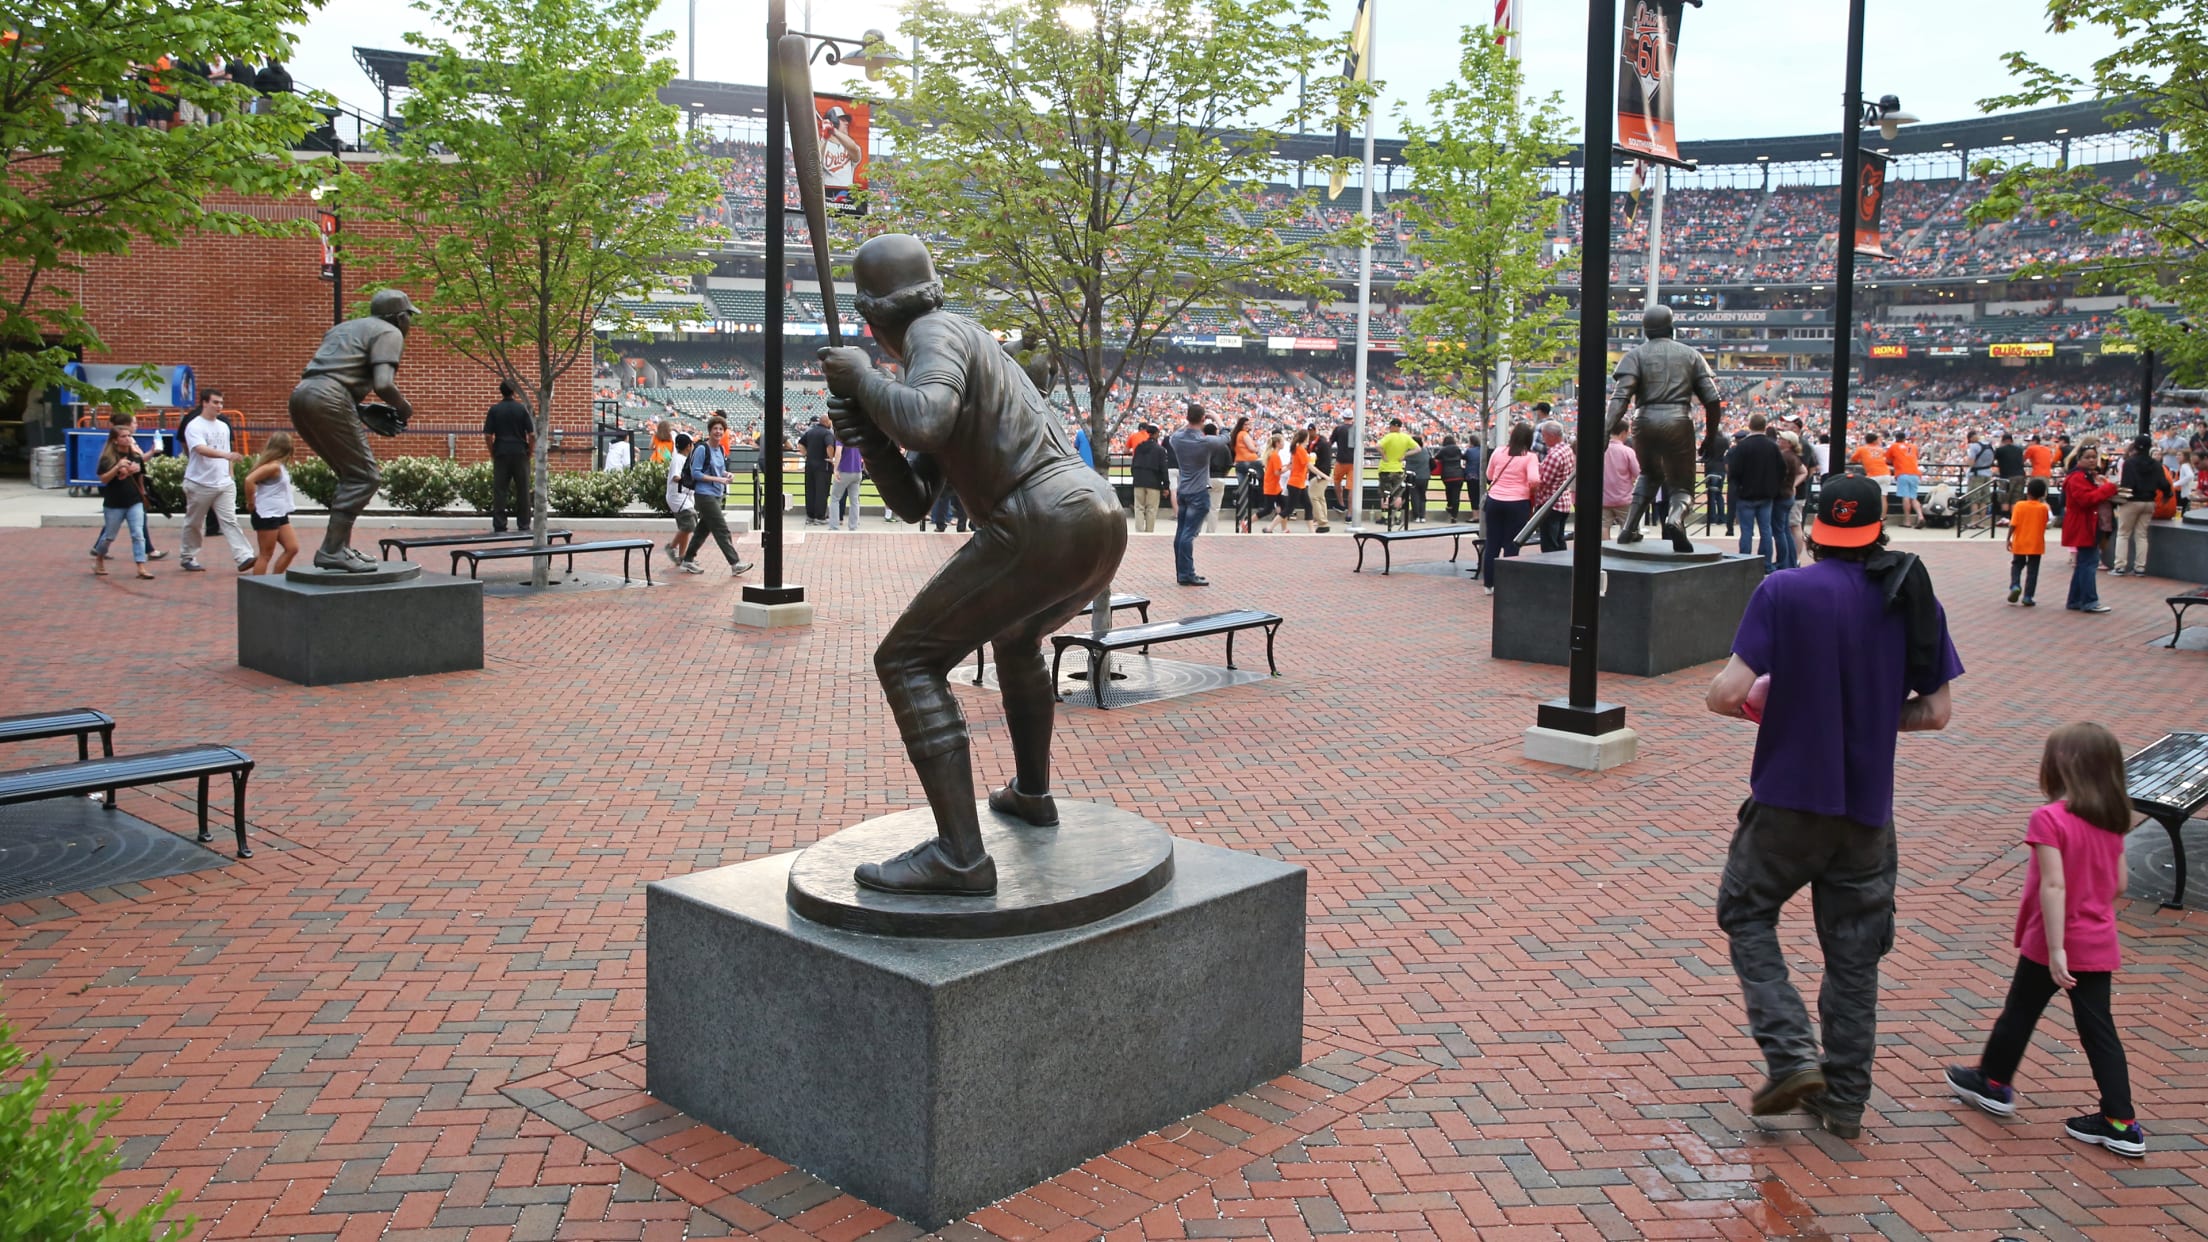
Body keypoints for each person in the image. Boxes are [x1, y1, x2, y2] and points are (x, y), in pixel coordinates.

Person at [816, 233, 1127, 893]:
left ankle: (960, 855)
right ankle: (1031, 794)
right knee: (1016, 640)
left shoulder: (936, 336)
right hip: (1095, 518)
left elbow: (924, 423)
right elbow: (914, 499)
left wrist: (865, 382)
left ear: (872, 324)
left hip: (1045, 515)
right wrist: (869, 432)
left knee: (905, 660)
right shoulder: (951, 349)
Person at [1705, 474, 1961, 1140]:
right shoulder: (1913, 599)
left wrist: (1769, 704)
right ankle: (1844, 1098)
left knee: (1746, 910)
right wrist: (1870, 715)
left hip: (1789, 798)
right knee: (1854, 955)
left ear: (1813, 527)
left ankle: (1789, 1052)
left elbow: (1726, 693)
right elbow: (1935, 713)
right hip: (1868, 810)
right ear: (1880, 529)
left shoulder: (1784, 590)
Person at [1944, 723, 2146, 1158]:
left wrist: (2057, 949)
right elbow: (2121, 883)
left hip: (2052, 939)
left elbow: (2053, 887)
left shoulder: (2049, 818)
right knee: (2099, 1031)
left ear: (2058, 767)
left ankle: (1994, 1083)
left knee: (2019, 1012)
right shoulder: (2112, 819)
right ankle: (2121, 1121)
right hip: (2097, 939)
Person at [289, 289, 417, 571]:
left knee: (351, 476)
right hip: (330, 397)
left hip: (302, 395)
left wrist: (359, 409)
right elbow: (384, 384)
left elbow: (329, 373)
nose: (410, 323)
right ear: (398, 317)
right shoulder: (389, 331)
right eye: (409, 317)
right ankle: (332, 550)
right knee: (365, 477)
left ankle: (340, 548)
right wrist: (405, 408)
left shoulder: (343, 329)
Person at [1609, 306, 1725, 553]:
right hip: (1678, 419)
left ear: (1645, 331)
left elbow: (1620, 398)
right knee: (1682, 486)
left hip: (1645, 420)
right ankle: (1674, 519)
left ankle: (1629, 527)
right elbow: (1712, 400)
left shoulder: (1635, 355)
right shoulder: (1691, 355)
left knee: (1649, 475)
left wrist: (1605, 430)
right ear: (1672, 328)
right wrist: (1711, 436)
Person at [179, 387, 255, 572]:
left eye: (221, 403)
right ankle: (188, 555)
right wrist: (227, 456)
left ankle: (244, 556)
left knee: (230, 520)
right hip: (199, 483)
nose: (219, 406)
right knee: (194, 522)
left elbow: (227, 446)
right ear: (205, 403)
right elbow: (200, 449)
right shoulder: (194, 425)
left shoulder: (223, 425)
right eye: (215, 402)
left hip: (224, 483)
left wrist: (230, 474)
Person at [1168, 405, 1233, 585]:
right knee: (1188, 534)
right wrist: (1217, 418)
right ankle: (1187, 574)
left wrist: (1187, 423)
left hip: (1183, 490)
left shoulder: (1177, 439)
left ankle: (1182, 573)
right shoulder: (1205, 442)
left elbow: (1175, 434)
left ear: (1188, 418)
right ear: (1203, 419)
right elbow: (1226, 437)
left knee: (1181, 532)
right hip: (1198, 491)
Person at [682, 414, 754, 576]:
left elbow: (718, 469)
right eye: (715, 428)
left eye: (721, 429)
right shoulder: (702, 449)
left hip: (716, 493)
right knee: (721, 529)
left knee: (703, 529)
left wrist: (727, 474)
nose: (718, 431)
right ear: (709, 431)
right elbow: (696, 473)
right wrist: (719, 479)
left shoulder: (720, 449)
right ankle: (735, 563)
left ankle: (687, 559)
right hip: (703, 494)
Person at [90, 412, 157, 580]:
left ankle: (141, 566)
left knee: (137, 534)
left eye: (129, 435)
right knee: (109, 536)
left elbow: (140, 475)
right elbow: (103, 479)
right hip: (114, 503)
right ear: (115, 440)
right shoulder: (108, 458)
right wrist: (117, 467)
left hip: (134, 500)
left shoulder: (135, 456)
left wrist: (142, 491)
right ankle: (99, 558)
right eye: (123, 436)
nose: (128, 439)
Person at [1479, 423, 1540, 594]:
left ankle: (1489, 583)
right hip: (1517, 502)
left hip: (1495, 500)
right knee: (1512, 544)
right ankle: (1507, 581)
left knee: (1492, 543)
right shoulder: (1530, 457)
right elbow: (1534, 479)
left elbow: (1490, 475)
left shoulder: (1498, 451)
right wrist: (1530, 490)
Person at [1727, 414, 1788, 569]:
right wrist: (1773, 487)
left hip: (1745, 495)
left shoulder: (1742, 446)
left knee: (1746, 532)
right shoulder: (1772, 446)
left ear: (1750, 425)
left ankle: (1744, 564)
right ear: (1764, 426)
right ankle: (1766, 563)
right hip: (1766, 495)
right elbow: (1782, 470)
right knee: (1766, 531)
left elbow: (1733, 472)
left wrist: (1739, 488)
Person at [2062, 442, 2118, 612]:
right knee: (2089, 563)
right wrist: (2108, 489)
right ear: (2079, 459)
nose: (2092, 460)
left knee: (2084, 563)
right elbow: (2086, 500)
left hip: (2085, 524)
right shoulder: (2078, 478)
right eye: (2088, 457)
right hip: (2084, 525)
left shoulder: (2085, 476)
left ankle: (2075, 600)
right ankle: (2089, 601)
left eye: (2094, 457)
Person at [2112, 435, 2170, 576]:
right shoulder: (2156, 464)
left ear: (2135, 446)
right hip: (2149, 502)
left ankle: (2120, 566)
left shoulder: (2130, 463)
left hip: (2132, 502)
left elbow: (2126, 485)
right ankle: (2140, 568)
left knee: (2123, 534)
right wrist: (2167, 495)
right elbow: (2164, 484)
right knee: (2142, 536)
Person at [242, 433, 299, 576]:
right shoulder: (273, 467)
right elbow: (249, 480)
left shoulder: (279, 466)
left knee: (292, 548)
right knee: (265, 555)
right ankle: (259, 587)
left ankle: (275, 579)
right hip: (266, 513)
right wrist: (250, 502)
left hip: (279, 512)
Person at [483, 380, 535, 534]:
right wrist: (529, 452)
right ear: (514, 392)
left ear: (501, 392)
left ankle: (499, 525)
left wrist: (492, 452)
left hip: (501, 452)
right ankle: (524, 524)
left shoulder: (494, 410)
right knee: (523, 490)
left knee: (500, 490)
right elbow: (532, 434)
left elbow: (487, 435)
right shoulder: (522, 409)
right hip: (520, 452)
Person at [2006, 478, 2050, 606]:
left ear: (2028, 492)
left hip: (2020, 541)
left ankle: (2015, 585)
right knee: (2033, 570)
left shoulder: (2020, 505)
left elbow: (2013, 524)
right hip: (2036, 543)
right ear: (2043, 494)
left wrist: (2008, 538)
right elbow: (2045, 523)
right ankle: (2028, 596)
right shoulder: (2043, 508)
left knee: (2017, 565)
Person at [1532, 420, 1572, 553]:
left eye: (1544, 436)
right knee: (1559, 540)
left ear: (1552, 436)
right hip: (1563, 502)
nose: (1543, 439)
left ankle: (1552, 571)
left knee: (1550, 544)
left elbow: (1543, 482)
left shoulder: (1554, 455)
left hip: (1550, 504)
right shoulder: (1567, 449)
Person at [1600, 423, 1640, 542]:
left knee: (1603, 526)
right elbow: (1638, 472)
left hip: (1604, 497)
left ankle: (1605, 550)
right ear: (1623, 433)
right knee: (1627, 527)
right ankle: (1623, 552)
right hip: (1623, 497)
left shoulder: (1601, 450)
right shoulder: (1627, 451)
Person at [663, 431, 697, 561]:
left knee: (685, 527)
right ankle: (671, 547)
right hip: (678, 497)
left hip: (684, 497)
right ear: (688, 446)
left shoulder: (684, 458)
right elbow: (676, 477)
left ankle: (682, 556)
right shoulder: (679, 459)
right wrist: (689, 480)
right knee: (689, 525)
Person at [1129, 422, 1168, 533]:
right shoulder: (1160, 450)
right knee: (1151, 508)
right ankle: (1149, 531)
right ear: (1156, 434)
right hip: (1154, 482)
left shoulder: (1139, 448)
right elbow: (1163, 469)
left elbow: (1133, 464)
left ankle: (1139, 530)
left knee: (1139, 507)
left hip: (1139, 480)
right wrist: (1166, 486)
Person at [799, 412, 836, 526]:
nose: (831, 423)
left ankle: (810, 516)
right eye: (830, 421)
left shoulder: (810, 432)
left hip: (809, 464)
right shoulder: (827, 433)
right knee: (821, 491)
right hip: (822, 466)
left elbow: (800, 444)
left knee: (810, 490)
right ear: (826, 422)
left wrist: (806, 454)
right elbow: (830, 446)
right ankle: (820, 517)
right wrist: (832, 458)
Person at [1375, 418, 1416, 513]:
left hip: (1386, 469)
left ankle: (1385, 517)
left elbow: (1377, 446)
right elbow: (1417, 448)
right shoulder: (1405, 437)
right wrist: (1404, 455)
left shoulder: (1389, 436)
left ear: (1393, 426)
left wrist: (1383, 455)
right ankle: (1397, 517)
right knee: (1398, 494)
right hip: (1398, 469)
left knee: (1384, 493)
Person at [1886, 431, 1924, 529]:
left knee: (1906, 497)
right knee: (1914, 497)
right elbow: (1916, 457)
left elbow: (1888, 460)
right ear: (1905, 438)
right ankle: (1920, 516)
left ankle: (1907, 521)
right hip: (1915, 473)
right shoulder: (1913, 446)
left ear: (1896, 438)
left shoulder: (1894, 446)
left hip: (1902, 473)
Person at [829, 438, 866, 531]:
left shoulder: (841, 438)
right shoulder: (858, 438)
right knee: (854, 500)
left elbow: (838, 453)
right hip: (857, 471)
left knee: (835, 498)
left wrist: (835, 468)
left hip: (844, 471)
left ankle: (834, 525)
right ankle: (853, 526)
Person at [1993, 432, 2027, 523]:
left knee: (2005, 498)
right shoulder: (2019, 449)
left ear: (2003, 441)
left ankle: (2005, 517)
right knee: (2015, 499)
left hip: (2007, 476)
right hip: (2020, 475)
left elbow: (1993, 459)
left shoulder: (2000, 450)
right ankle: (2014, 518)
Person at [1436, 435, 1471, 523]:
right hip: (1458, 474)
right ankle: (1454, 516)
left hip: (1447, 475)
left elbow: (1436, 457)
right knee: (1456, 496)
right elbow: (1463, 456)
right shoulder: (1457, 449)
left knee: (1448, 491)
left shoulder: (1443, 450)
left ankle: (1449, 505)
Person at [1261, 433, 1291, 533]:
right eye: (1282, 442)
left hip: (1274, 486)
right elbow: (1277, 472)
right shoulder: (1275, 456)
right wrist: (1288, 468)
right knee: (1268, 509)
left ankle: (1283, 528)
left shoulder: (1272, 454)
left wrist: (1285, 466)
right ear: (1278, 443)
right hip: (1272, 486)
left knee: (1283, 507)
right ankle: (1248, 522)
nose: (1283, 444)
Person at [1402, 434, 1433, 524]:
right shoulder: (1426, 450)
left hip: (1413, 476)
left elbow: (1402, 457)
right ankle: (1422, 516)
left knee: (1415, 497)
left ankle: (1416, 516)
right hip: (1425, 476)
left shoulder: (1410, 452)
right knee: (1422, 496)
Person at [1328, 416, 1356, 516]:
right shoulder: (1355, 428)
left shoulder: (1338, 429)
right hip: (1353, 462)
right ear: (1352, 418)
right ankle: (1349, 514)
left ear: (1344, 417)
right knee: (1351, 488)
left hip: (1340, 460)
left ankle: (1341, 504)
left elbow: (1329, 443)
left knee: (1337, 481)